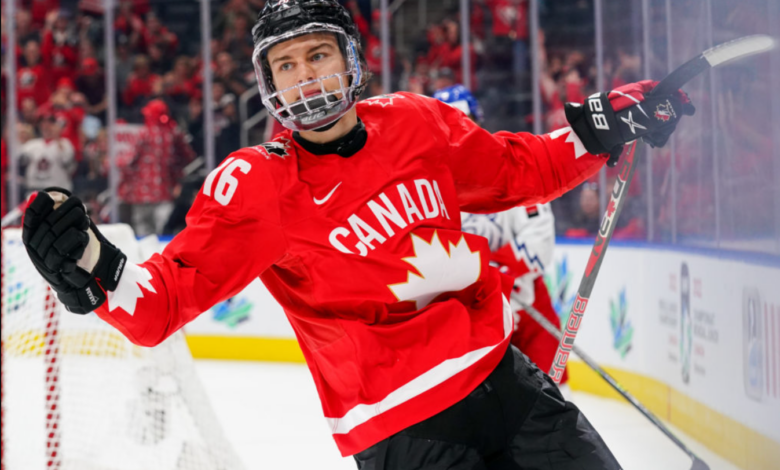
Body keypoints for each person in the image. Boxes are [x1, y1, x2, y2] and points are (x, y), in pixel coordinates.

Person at [21, 1, 693, 468]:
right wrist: (89, 263)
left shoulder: (415, 124)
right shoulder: (259, 184)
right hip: (408, 434)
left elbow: (521, 170)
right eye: (286, 65)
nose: (305, 76)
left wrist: (604, 124)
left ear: (349, 60)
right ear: (267, 83)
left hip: (508, 384)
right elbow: (162, 302)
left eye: (317, 55)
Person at [434, 84, 569, 391]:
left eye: (464, 121)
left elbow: (539, 238)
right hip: (473, 318)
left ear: (478, 123)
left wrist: (495, 272)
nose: (455, 133)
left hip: (527, 303)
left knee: (557, 401)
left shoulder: (506, 164)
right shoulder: (426, 184)